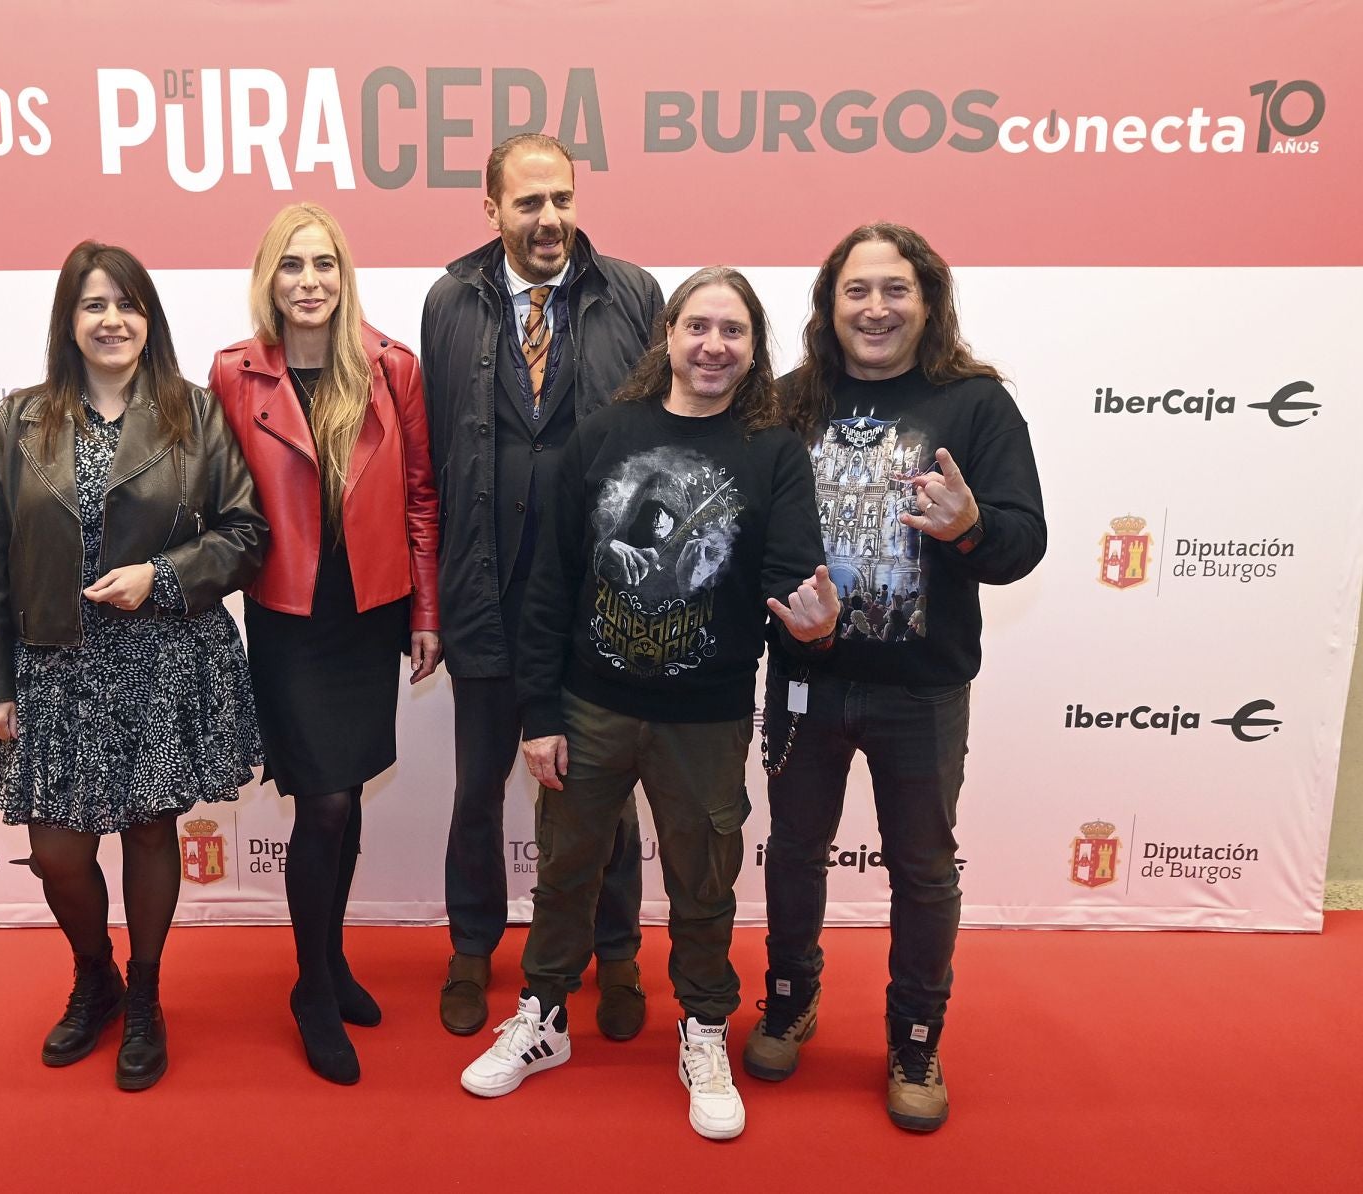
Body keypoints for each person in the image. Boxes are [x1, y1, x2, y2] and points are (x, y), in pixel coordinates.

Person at [458, 267, 838, 1142]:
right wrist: (539, 713)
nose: (713, 346)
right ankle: (542, 1018)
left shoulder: (772, 451)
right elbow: (551, 581)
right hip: (589, 704)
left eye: (733, 332)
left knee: (703, 883)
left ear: (753, 348)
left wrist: (815, 622)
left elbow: (791, 578)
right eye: (698, 326)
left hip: (706, 715)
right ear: (667, 335)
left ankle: (704, 1026)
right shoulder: (604, 438)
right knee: (565, 873)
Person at [747, 222, 1047, 1132]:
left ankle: (916, 1035)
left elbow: (1023, 542)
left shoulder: (976, 405)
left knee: (922, 869)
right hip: (807, 679)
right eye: (856, 291)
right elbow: (745, 530)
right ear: (829, 305)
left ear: (927, 301)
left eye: (895, 290)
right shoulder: (788, 402)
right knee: (793, 851)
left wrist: (967, 527)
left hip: (922, 689)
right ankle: (791, 995)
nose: (875, 308)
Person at [0, 240, 266, 1091]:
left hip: (160, 654)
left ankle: (145, 997)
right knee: (59, 853)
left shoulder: (194, 414)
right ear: (69, 321)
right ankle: (94, 973)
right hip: (53, 666)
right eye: (93, 305)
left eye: (126, 304)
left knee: (147, 830)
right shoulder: (20, 419)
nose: (111, 320)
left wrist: (162, 577)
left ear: (148, 318)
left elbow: (245, 536)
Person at [420, 133, 664, 1040]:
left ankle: (621, 954)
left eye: (561, 198)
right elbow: (434, 461)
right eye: (528, 203)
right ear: (491, 209)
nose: (550, 218)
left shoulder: (634, 294)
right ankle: (472, 952)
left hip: (601, 599)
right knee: (476, 789)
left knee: (604, 789)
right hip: (486, 588)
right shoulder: (449, 301)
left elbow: (660, 451)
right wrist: (434, 603)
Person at [209, 203, 441, 1085]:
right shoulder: (234, 373)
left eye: (326, 265)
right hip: (288, 615)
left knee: (342, 798)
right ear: (269, 278)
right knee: (327, 803)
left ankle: (331, 962)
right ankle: (312, 986)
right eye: (293, 266)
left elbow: (422, 495)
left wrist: (426, 613)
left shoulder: (390, 367)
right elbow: (227, 504)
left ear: (345, 277)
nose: (310, 281)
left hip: (369, 610)